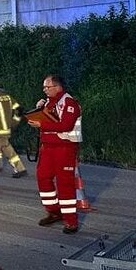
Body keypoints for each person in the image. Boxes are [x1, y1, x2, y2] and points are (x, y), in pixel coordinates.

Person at [26, 74, 82, 234]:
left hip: (64, 148)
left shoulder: (70, 103)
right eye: (44, 87)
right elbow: (50, 119)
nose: (44, 90)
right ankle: (54, 211)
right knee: (43, 178)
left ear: (57, 87)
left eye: (47, 87)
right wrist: (39, 110)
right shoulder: (49, 103)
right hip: (48, 147)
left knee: (65, 184)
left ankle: (71, 221)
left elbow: (66, 125)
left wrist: (41, 123)